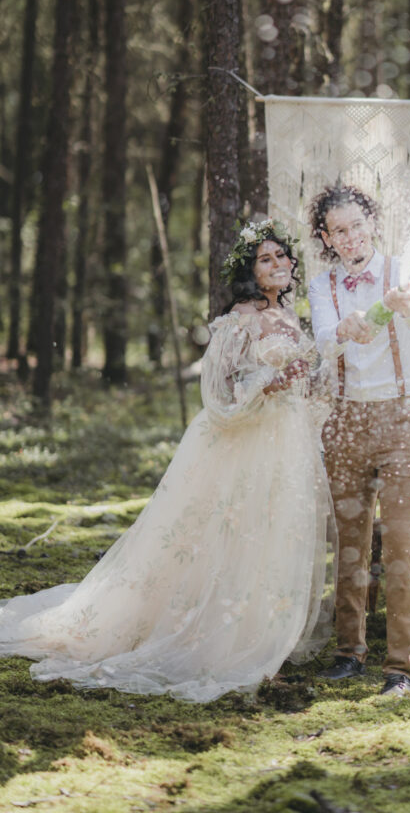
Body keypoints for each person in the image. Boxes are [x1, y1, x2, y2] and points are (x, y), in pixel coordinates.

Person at [0, 220, 333, 701]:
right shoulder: (239, 318)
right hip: (237, 445)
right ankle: (198, 629)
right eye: (266, 258)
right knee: (216, 535)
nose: (278, 264)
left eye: (282, 256)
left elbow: (300, 385)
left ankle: (252, 626)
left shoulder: (291, 318)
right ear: (250, 272)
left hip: (281, 444)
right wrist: (269, 383)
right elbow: (219, 392)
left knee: (266, 534)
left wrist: (303, 383)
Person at [308, 184, 410, 697]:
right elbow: (321, 338)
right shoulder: (320, 286)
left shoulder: (408, 269)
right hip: (344, 422)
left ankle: (399, 666)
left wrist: (405, 304)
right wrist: (346, 328)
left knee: (402, 545)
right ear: (326, 238)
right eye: (339, 230)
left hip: (404, 420)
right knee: (351, 545)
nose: (351, 236)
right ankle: (347, 652)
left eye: (357, 224)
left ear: (372, 224)